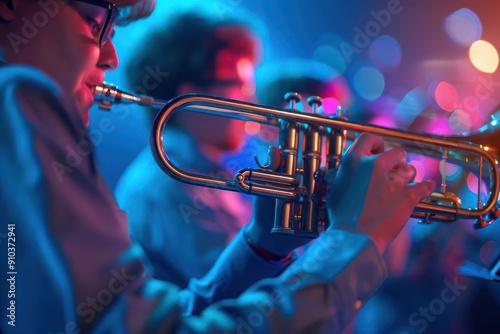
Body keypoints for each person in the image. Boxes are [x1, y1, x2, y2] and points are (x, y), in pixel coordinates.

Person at [0, 1, 435, 333]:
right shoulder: (21, 97)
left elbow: (168, 315)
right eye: (98, 21)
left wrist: (264, 247)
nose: (109, 56)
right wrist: (352, 240)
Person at [115, 12, 259, 288]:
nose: (253, 102)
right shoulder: (165, 186)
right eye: (241, 87)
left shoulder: (211, 172)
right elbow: (244, 294)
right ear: (193, 97)